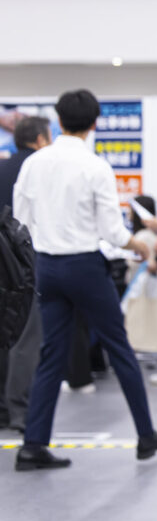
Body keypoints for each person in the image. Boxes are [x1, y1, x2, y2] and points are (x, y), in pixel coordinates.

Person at [13, 90, 157, 470]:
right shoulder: (95, 166)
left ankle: (32, 445)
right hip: (84, 266)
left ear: (58, 120)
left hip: (46, 267)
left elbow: (21, 219)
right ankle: (146, 436)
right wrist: (140, 245)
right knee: (119, 346)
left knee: (52, 353)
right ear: (95, 123)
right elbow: (113, 231)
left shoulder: (34, 163)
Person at [0, 116, 51, 432]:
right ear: (41, 139)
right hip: (24, 260)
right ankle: (20, 410)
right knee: (24, 335)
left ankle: (4, 408)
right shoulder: (41, 169)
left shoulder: (3, 167)